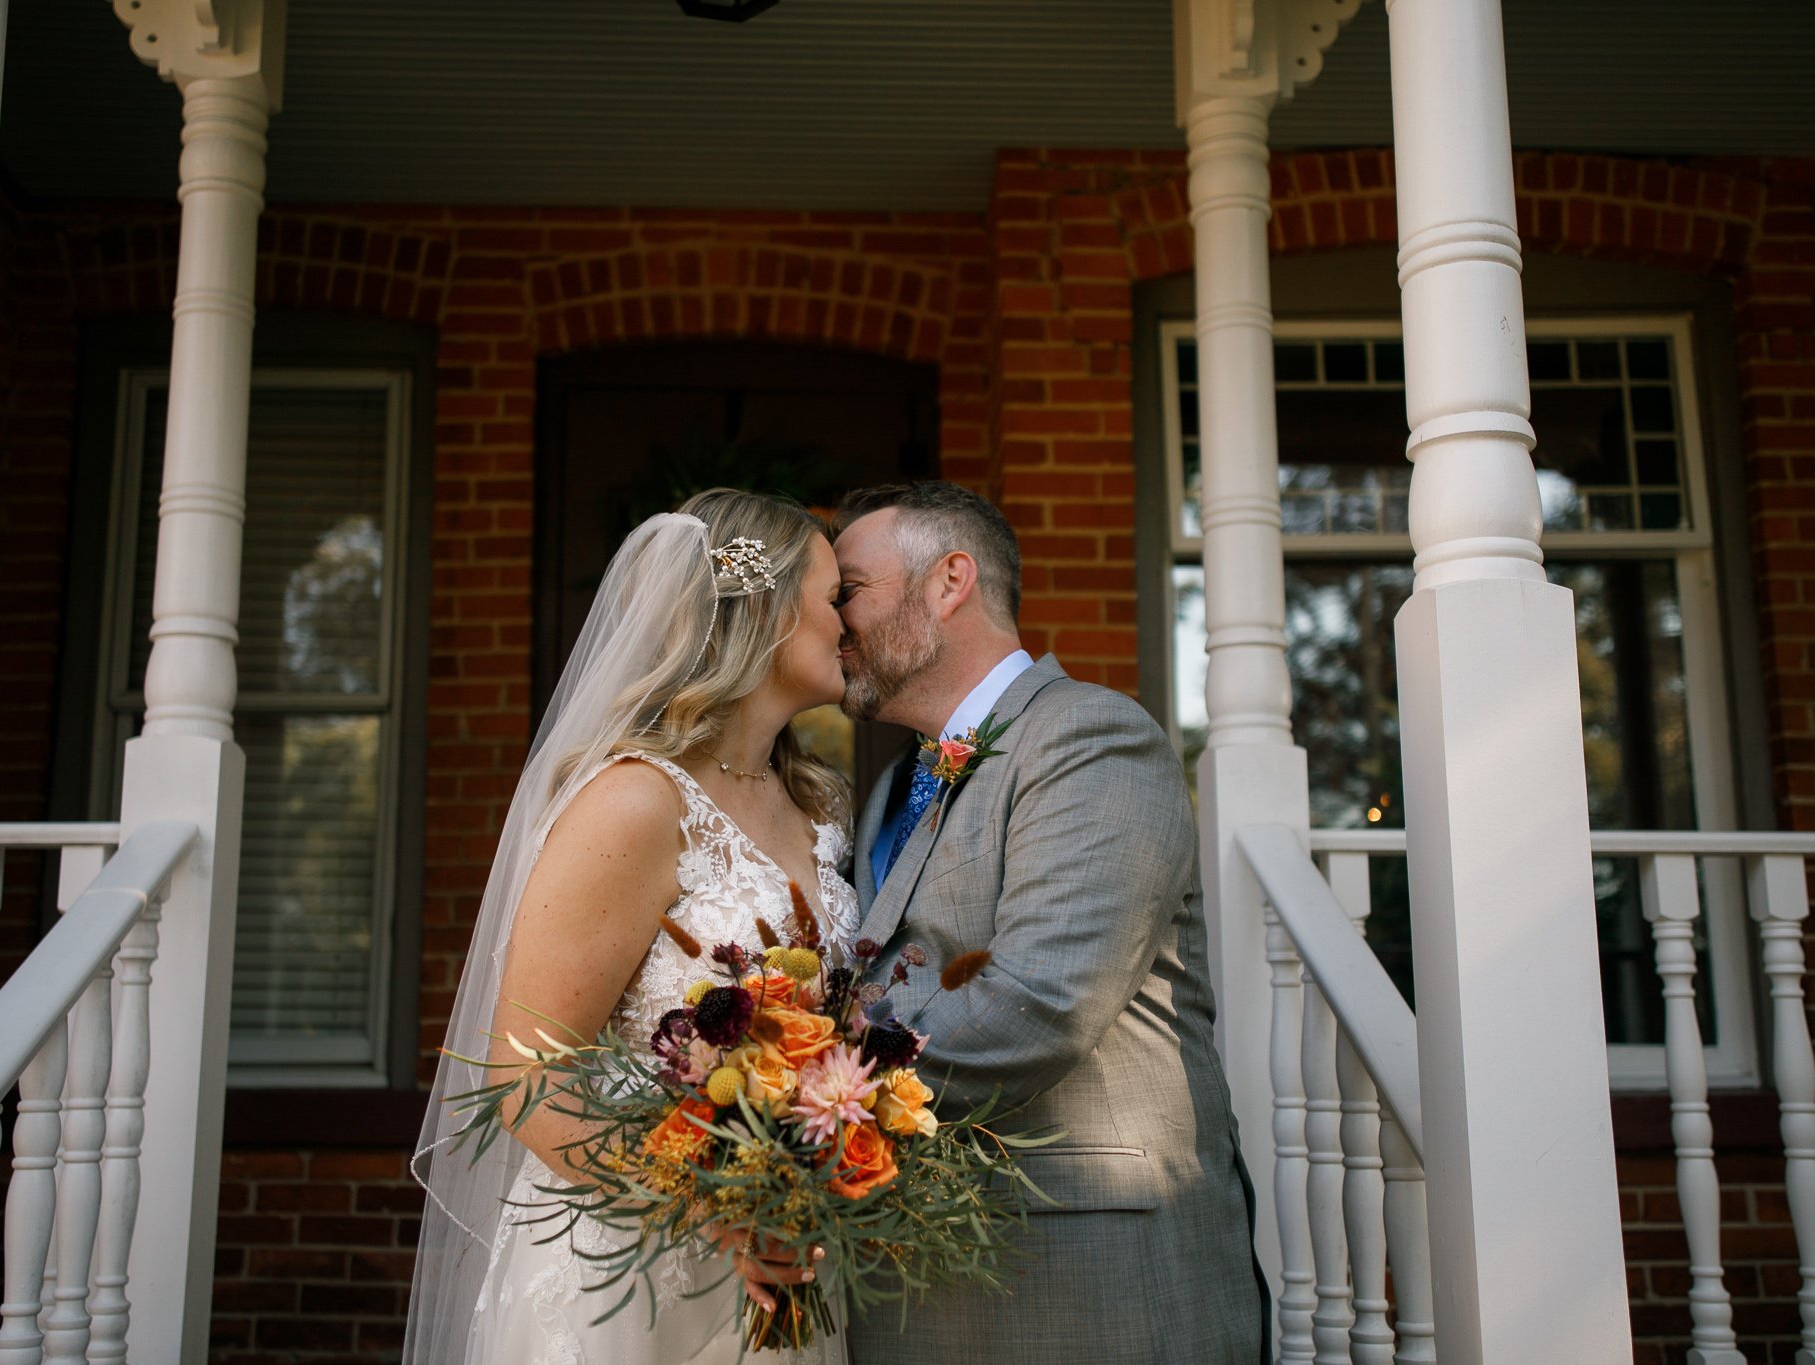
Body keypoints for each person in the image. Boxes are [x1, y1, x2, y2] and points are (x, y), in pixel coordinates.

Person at [406, 488, 860, 1365]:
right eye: (832, 593)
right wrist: (716, 1206)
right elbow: (523, 1075)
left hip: (786, 1262)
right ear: (765, 606)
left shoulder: (814, 804)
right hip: (630, 1276)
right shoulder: (633, 803)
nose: (847, 622)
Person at [831, 482, 1268, 1365]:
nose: (836, 619)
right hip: (926, 1276)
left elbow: (1036, 1003)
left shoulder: (1091, 738)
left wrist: (806, 1095)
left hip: (1088, 1283)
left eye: (851, 588)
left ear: (949, 580)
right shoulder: (889, 789)